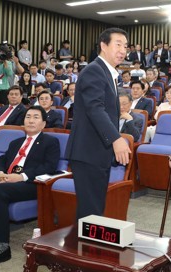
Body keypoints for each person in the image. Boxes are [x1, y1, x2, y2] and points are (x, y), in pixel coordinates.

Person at [0, 106, 60, 268]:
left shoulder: (50, 142)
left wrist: (21, 177)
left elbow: (49, 167)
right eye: (28, 116)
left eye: (36, 117)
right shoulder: (16, 142)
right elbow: (0, 161)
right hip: (6, 181)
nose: (30, 120)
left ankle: (2, 246)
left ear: (43, 123)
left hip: (31, 184)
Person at [65, 28, 131, 220]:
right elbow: (95, 109)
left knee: (93, 209)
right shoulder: (94, 70)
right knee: (90, 211)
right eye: (118, 44)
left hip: (96, 152)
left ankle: (86, 247)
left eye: (125, 46)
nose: (123, 50)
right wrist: (116, 139)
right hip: (88, 152)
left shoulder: (108, 72)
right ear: (103, 45)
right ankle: (85, 249)